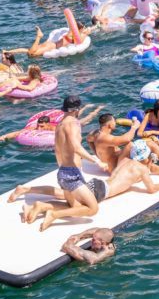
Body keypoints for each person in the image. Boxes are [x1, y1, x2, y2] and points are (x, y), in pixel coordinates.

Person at [18, 140, 159, 225]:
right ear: (146, 157)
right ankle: (43, 208)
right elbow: (151, 189)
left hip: (98, 183)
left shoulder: (125, 160)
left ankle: (35, 204)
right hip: (102, 191)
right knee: (76, 207)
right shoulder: (142, 169)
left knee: (69, 199)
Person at [39, 95, 108, 232]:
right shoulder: (73, 124)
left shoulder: (59, 125)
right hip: (71, 175)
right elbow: (76, 147)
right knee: (93, 209)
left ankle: (38, 206)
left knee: (75, 207)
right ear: (77, 109)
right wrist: (97, 161)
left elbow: (59, 150)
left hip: (63, 173)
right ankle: (54, 215)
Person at [6, 22, 91, 58]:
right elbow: (80, 40)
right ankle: (39, 36)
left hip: (50, 44)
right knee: (32, 54)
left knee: (28, 51)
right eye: (83, 27)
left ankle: (8, 51)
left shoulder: (72, 33)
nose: (84, 29)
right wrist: (86, 32)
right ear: (79, 29)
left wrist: (85, 31)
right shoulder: (76, 35)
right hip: (52, 46)